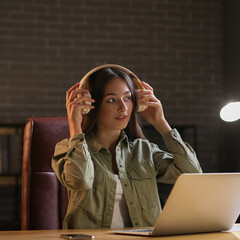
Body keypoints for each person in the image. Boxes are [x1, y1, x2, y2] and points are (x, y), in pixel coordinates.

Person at [52, 66, 202, 229]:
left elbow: (192, 174)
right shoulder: (67, 149)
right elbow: (80, 181)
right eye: (111, 100)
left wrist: (160, 122)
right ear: (89, 105)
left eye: (128, 98)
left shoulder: (144, 151)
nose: (123, 107)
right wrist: (75, 123)